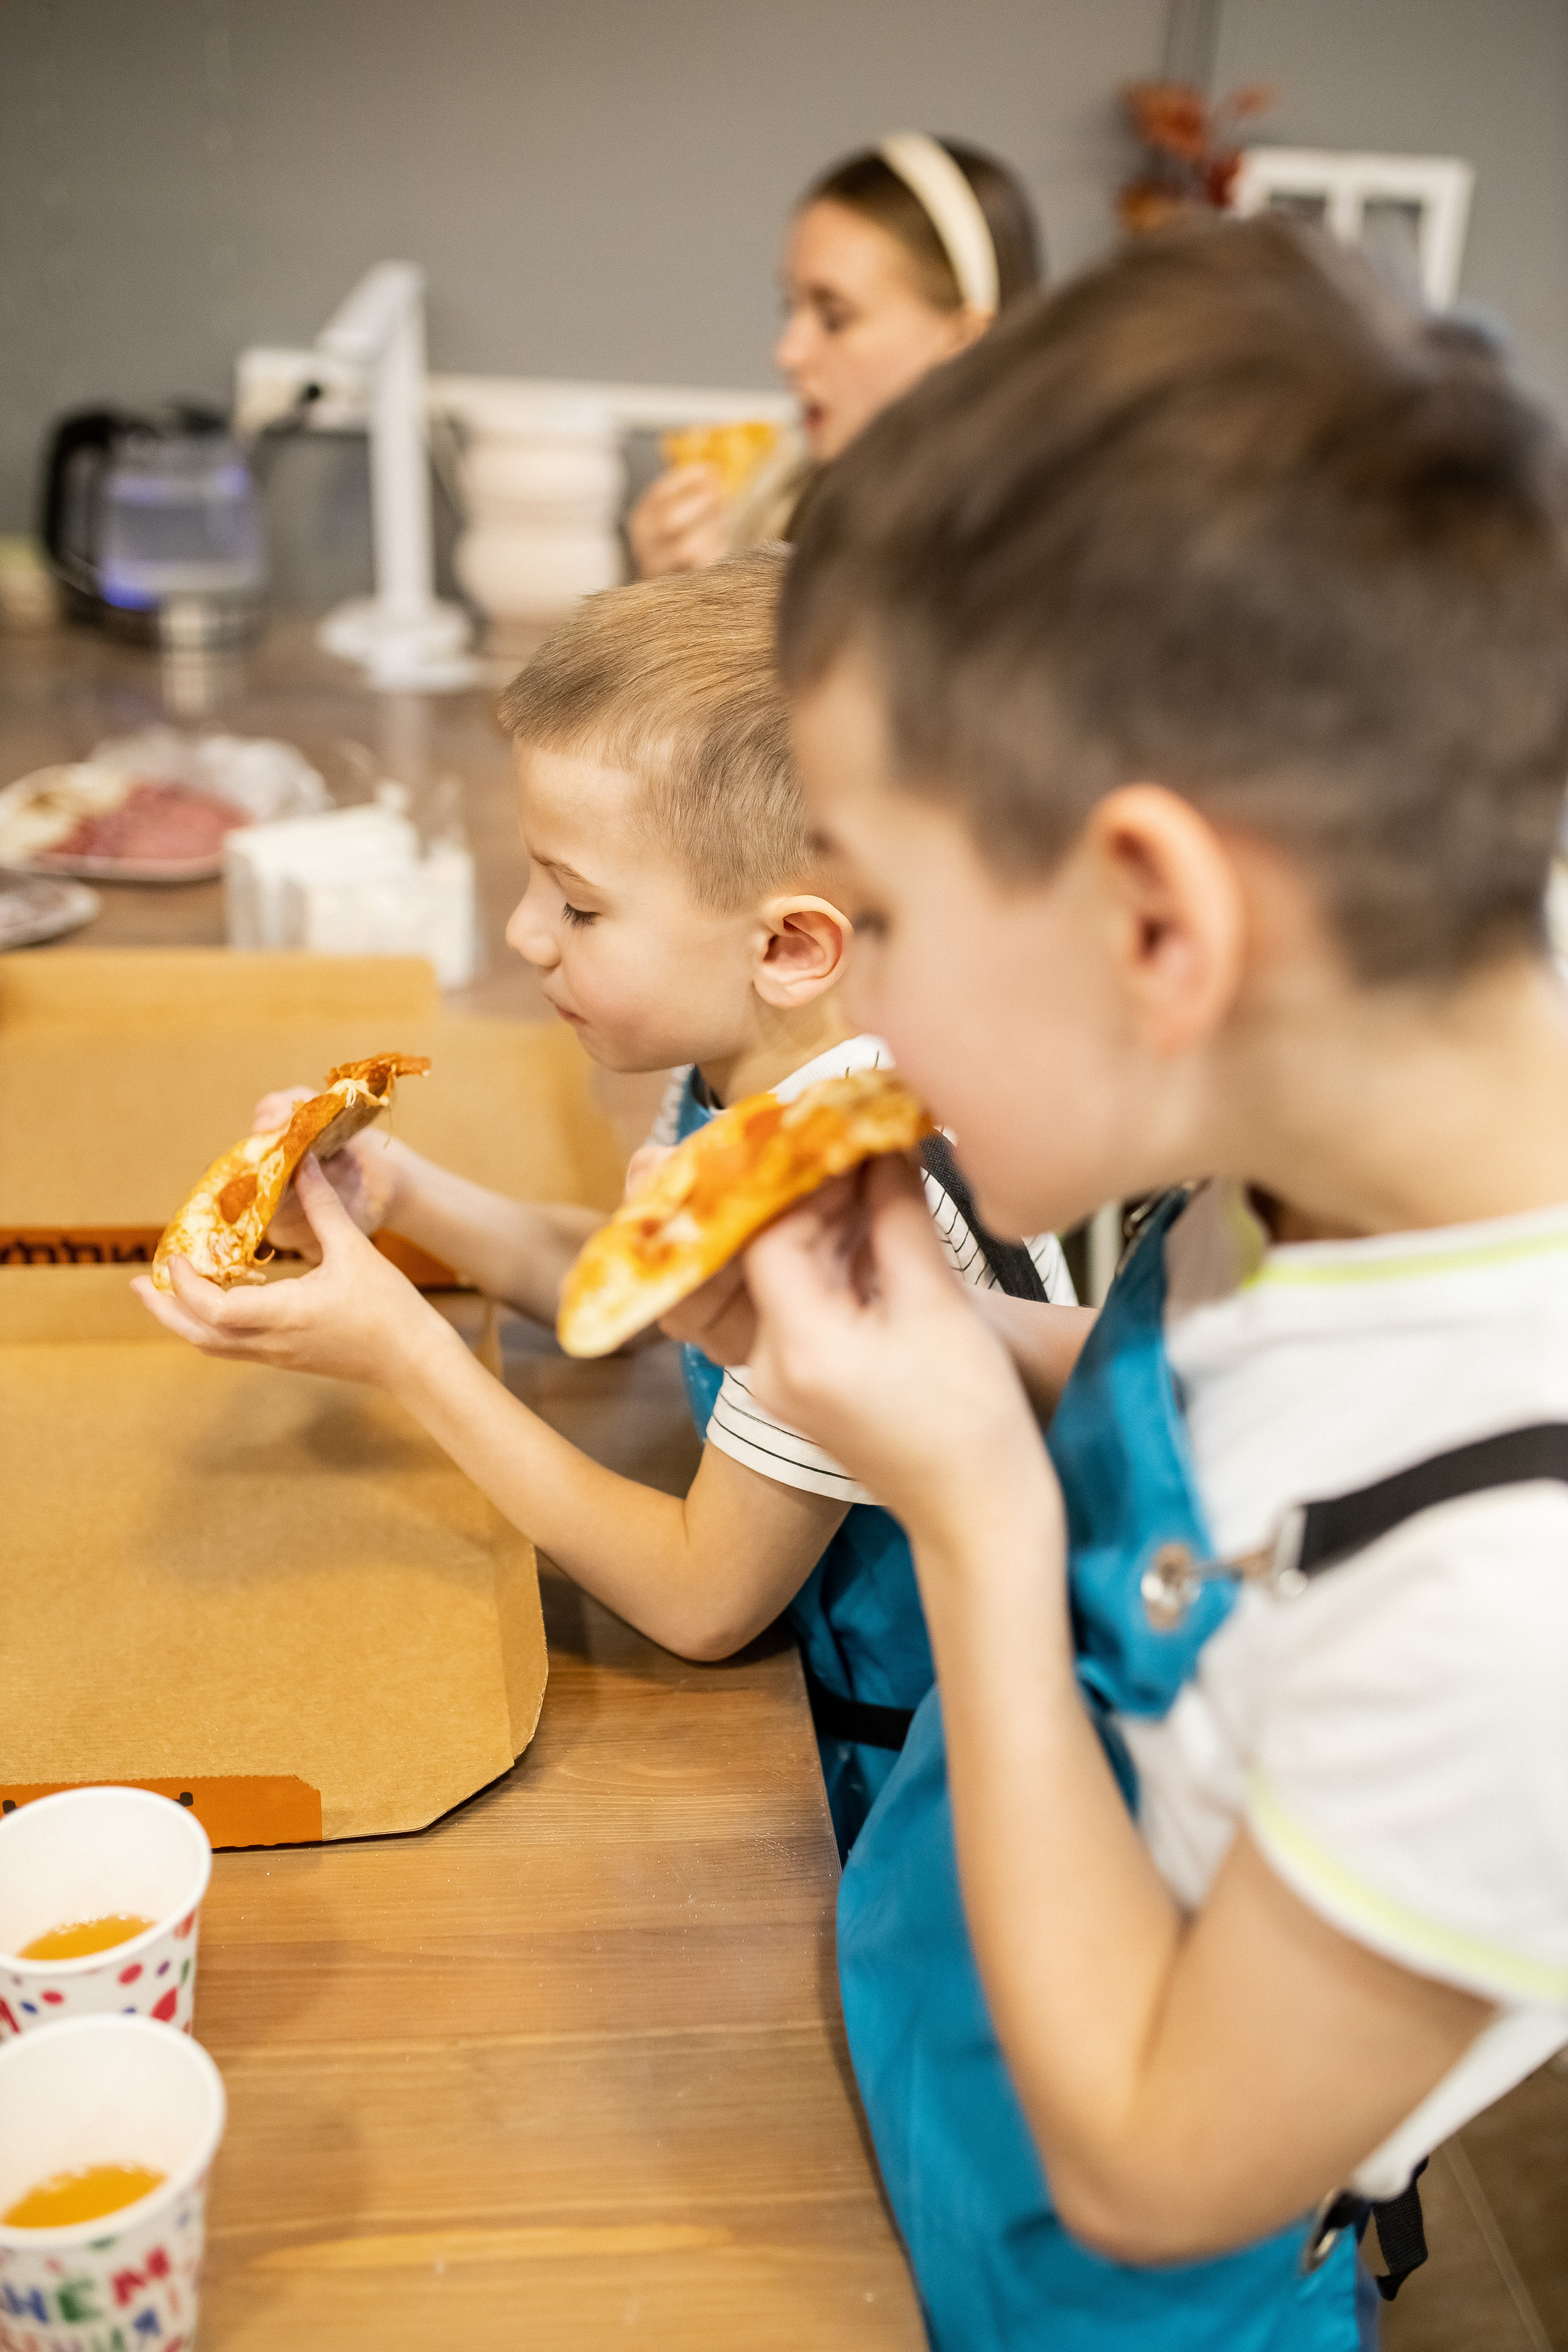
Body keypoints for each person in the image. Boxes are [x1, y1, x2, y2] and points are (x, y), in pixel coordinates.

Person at [663, 218, 1568, 2348]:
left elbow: (1159, 2169)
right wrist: (982, 1346)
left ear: (1158, 925)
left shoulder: (1509, 1604)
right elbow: (1241, 1470)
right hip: (926, 2061)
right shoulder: (1328, 1119)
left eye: (887, 915)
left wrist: (976, 1511)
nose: (853, 1003)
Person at [133, 549, 1087, 1856]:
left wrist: (407, 1352)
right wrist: (400, 1192)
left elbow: (705, 1600)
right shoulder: (757, 1058)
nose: (526, 934)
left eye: (579, 905)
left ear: (788, 945)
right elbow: (629, 1289)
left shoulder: (838, 1201)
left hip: (910, 1783)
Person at [629, 134, 1042, 578]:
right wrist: (670, 598)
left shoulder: (1028, 559)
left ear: (965, 341)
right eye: (790, 308)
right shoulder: (778, 511)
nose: (787, 354)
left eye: (834, 318)